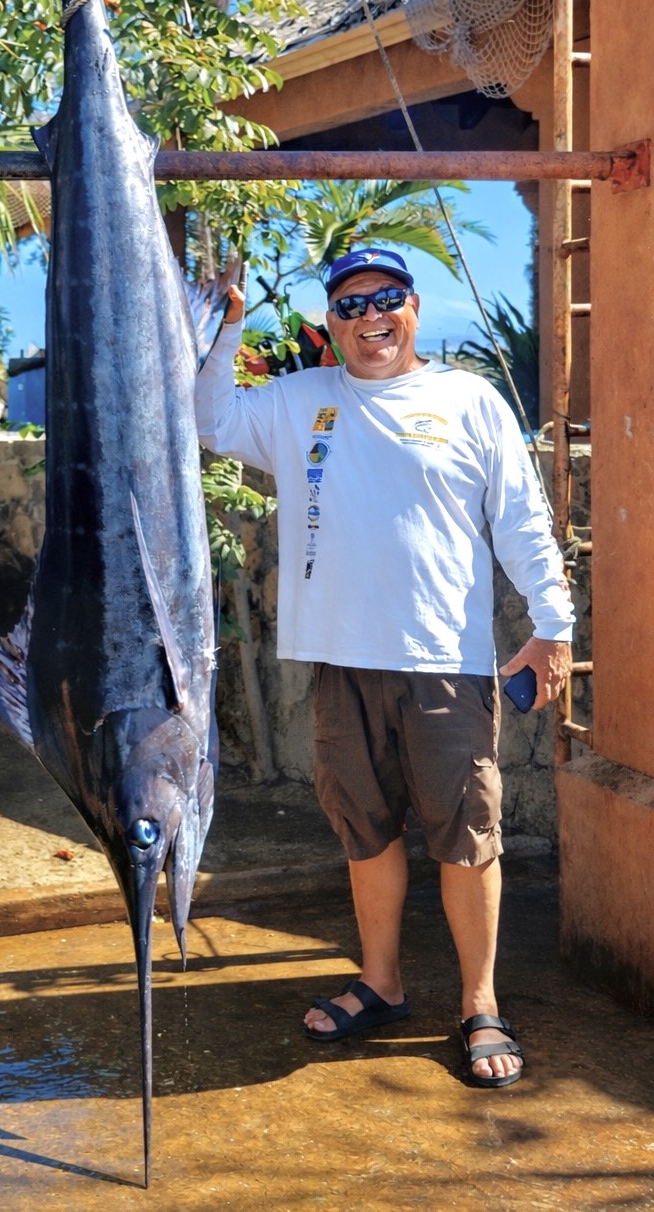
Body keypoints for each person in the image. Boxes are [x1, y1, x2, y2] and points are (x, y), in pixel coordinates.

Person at [195, 247, 573, 1089]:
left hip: (446, 661)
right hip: (340, 659)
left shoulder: (469, 401)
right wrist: (225, 332)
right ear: (331, 322)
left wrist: (555, 624)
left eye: (387, 299)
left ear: (414, 307)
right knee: (364, 831)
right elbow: (208, 422)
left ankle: (479, 1002)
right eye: (352, 305)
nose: (372, 318)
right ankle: (383, 982)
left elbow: (521, 521)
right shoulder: (301, 403)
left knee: (467, 836)